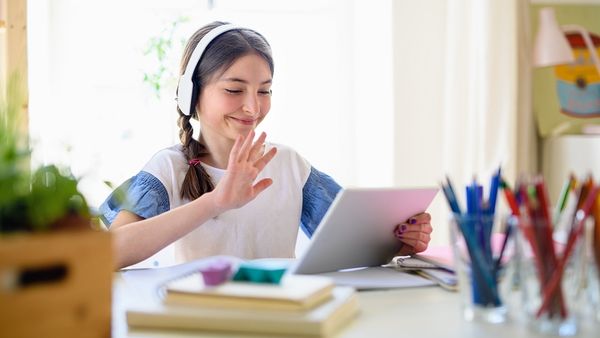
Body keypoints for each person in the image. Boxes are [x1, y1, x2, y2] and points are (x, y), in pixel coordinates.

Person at [100, 21, 433, 269]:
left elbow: (353, 240)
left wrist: (401, 241)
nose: (252, 107)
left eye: (264, 90)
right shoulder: (168, 169)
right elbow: (108, 253)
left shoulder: (290, 164)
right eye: (234, 89)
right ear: (191, 94)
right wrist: (216, 201)